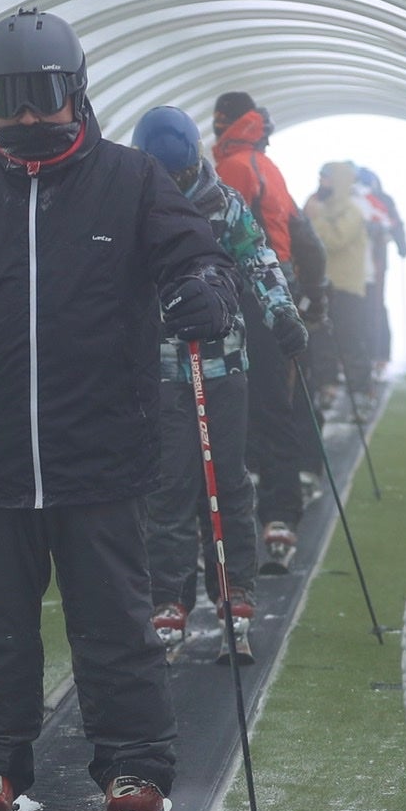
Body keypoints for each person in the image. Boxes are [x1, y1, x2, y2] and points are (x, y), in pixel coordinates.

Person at [0, 8, 240, 811]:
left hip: (102, 453)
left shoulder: (131, 180)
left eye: (42, 96)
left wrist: (200, 293)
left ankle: (136, 766)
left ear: (75, 92)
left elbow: (200, 258)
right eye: (9, 98)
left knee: (114, 623)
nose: (28, 116)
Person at [130, 105, 307, 655]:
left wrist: (284, 316)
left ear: (195, 165)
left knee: (226, 482)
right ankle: (170, 597)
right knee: (167, 488)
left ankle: (236, 592)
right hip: (160, 371)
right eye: (165, 177)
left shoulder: (223, 206)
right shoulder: (128, 210)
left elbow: (259, 260)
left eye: (181, 175)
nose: (176, 186)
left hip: (223, 365)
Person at [211, 91, 327, 571]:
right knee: (274, 403)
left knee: (231, 403)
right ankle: (282, 513)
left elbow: (211, 234)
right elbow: (305, 236)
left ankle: (249, 510)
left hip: (245, 295)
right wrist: (314, 296)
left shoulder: (233, 167)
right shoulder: (267, 166)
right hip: (282, 289)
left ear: (226, 124)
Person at [304, 161, 372, 411]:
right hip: (321, 286)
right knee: (322, 338)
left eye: (327, 178)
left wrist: (316, 219)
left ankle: (361, 392)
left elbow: (336, 240)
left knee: (350, 339)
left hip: (346, 287)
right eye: (321, 177)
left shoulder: (352, 211)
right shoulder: (316, 205)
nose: (322, 182)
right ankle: (327, 386)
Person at [353, 166, 406, 378]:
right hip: (366, 262)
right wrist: (402, 246)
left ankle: (378, 355)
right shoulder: (363, 199)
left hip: (375, 261)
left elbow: (393, 224)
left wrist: (402, 245)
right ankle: (374, 355)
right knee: (369, 307)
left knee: (373, 306)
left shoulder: (379, 200)